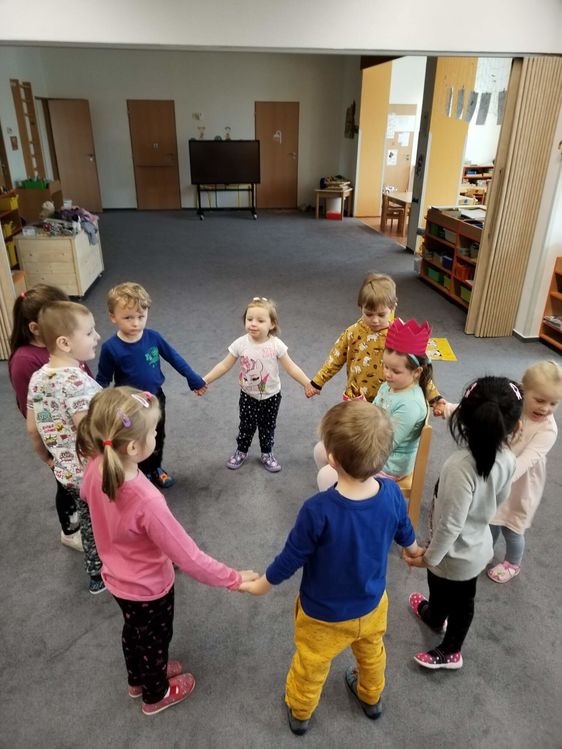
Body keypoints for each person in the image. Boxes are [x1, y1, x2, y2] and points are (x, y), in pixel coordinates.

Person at [239, 400, 423, 736]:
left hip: (323, 613)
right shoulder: (393, 494)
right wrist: (413, 552)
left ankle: (300, 711)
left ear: (332, 459)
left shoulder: (317, 509)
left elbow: (291, 558)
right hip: (372, 604)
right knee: (372, 653)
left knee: (311, 663)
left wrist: (261, 584)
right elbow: (404, 530)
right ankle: (371, 696)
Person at [76, 386, 258, 716]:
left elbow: (90, 500)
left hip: (116, 580)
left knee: (134, 631)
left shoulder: (94, 465)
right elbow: (189, 557)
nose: (157, 437)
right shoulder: (147, 500)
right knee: (155, 639)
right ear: (133, 447)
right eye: (154, 432)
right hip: (150, 589)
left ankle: (138, 679)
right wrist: (233, 579)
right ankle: (155, 693)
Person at [406, 377, 523, 670]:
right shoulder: (509, 458)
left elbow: (450, 526)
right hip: (476, 545)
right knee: (449, 593)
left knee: (457, 601)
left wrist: (428, 558)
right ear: (516, 427)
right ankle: (435, 616)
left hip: (452, 554)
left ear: (464, 421)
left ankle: (451, 651)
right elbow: (500, 498)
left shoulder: (459, 467)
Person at [26, 301, 105, 593]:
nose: (97, 336)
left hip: (66, 473)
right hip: (95, 471)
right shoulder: (76, 382)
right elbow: (90, 435)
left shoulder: (38, 378)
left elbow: (33, 429)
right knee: (118, 513)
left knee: (88, 518)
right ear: (65, 343)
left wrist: (47, 459)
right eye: (90, 332)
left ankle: (96, 575)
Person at [96, 282, 207, 489]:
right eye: (128, 317)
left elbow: (174, 358)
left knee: (157, 434)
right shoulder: (110, 348)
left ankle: (155, 467)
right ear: (113, 317)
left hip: (156, 398)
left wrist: (192, 377)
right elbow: (102, 379)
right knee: (133, 439)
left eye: (141, 316)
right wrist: (96, 405)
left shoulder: (153, 337)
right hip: (129, 404)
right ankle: (139, 472)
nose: (136, 323)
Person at [9, 285, 88, 551]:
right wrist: (48, 453)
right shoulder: (25, 361)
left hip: (81, 429)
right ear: (35, 327)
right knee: (67, 485)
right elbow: (32, 410)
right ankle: (70, 529)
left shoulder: (62, 343)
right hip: (61, 439)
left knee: (86, 484)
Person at [315, 318, 432, 491]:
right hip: (372, 442)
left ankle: (344, 498)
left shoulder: (411, 405)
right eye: (385, 366)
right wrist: (362, 409)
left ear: (417, 372)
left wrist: (351, 443)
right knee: (321, 450)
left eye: (395, 371)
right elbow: (376, 411)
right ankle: (342, 492)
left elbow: (386, 444)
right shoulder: (389, 386)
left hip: (386, 461)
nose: (387, 374)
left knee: (327, 475)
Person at [203, 296, 311, 472]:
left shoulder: (276, 345)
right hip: (248, 395)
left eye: (260, 320)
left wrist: (307, 383)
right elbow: (224, 365)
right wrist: (206, 380)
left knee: (267, 427)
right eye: (249, 319)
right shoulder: (241, 343)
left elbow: (291, 367)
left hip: (271, 396)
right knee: (246, 425)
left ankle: (267, 453)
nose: (253, 323)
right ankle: (241, 450)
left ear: (272, 324)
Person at [304, 272, 443, 408]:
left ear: (393, 307)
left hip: (388, 401)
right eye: (368, 314)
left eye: (381, 315)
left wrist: (435, 398)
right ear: (361, 307)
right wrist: (317, 382)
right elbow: (334, 359)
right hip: (356, 397)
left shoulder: (400, 335)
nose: (375, 320)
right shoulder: (352, 332)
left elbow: (418, 368)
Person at [487, 361, 562, 583]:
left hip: (521, 485)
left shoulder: (548, 430)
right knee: (491, 519)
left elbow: (525, 462)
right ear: (523, 389)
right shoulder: (514, 405)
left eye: (554, 403)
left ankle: (513, 562)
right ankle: (486, 550)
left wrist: (498, 479)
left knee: (512, 526)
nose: (546, 408)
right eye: (540, 400)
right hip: (500, 472)